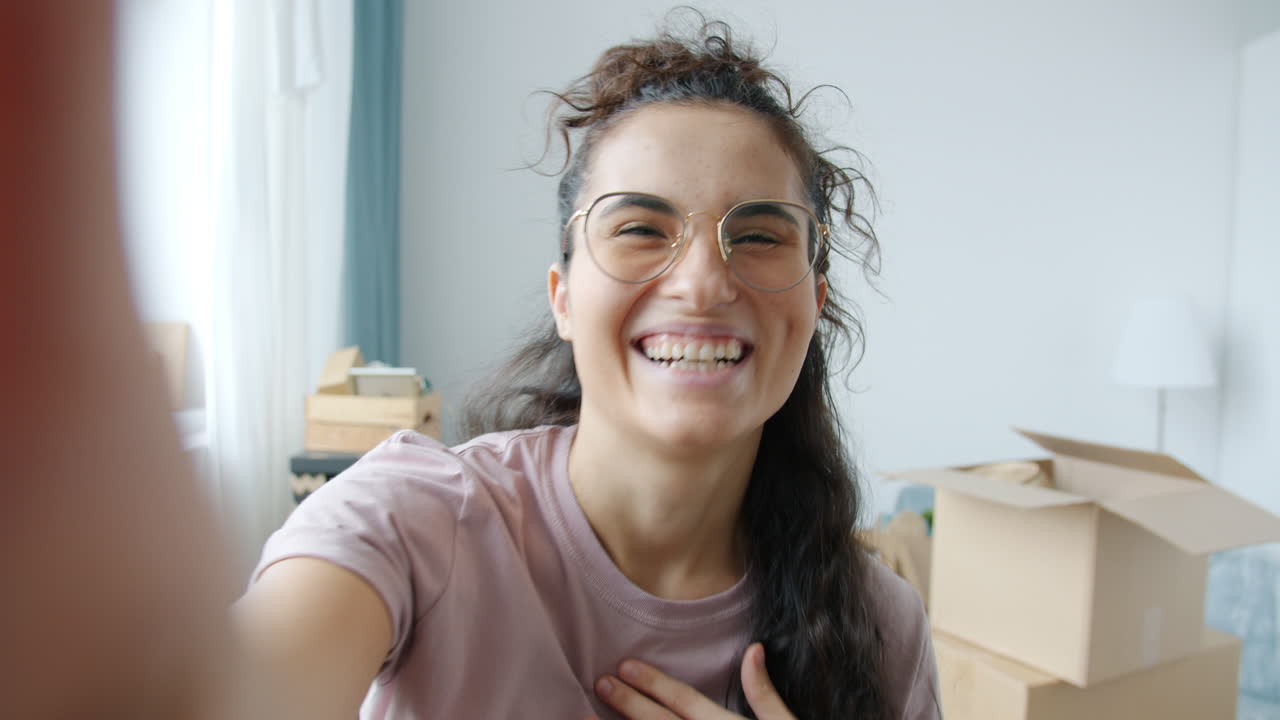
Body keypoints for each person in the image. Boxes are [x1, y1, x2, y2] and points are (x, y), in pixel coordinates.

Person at [236, 15, 940, 720]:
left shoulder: (886, 628)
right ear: (564, 298)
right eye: (639, 229)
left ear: (813, 304)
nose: (701, 285)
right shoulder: (410, 521)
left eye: (757, 235)